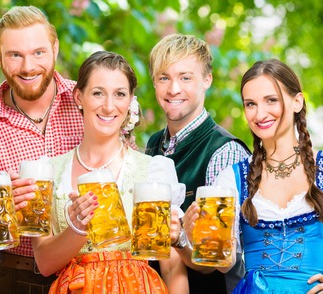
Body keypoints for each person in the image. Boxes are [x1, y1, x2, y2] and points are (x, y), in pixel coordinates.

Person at [24, 50, 187, 293]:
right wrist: (77, 227)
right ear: (79, 97)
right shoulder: (47, 171)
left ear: (130, 99)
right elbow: (45, 263)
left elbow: (172, 268)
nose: (109, 106)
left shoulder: (155, 170)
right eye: (98, 93)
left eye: (120, 94)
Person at [0, 5, 84, 293]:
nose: (28, 66)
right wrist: (7, 211)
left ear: (55, 48)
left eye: (38, 52)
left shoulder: (87, 101)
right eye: (15, 55)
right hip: (14, 274)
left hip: (86, 271)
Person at [190, 59, 323, 293]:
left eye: (271, 100)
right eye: (250, 104)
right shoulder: (231, 179)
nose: (260, 114)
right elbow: (224, 265)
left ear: (297, 102)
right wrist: (195, 239)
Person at [145, 33, 251, 293]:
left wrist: (180, 234)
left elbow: (223, 259)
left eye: (185, 77)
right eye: (164, 78)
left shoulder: (224, 152)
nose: (173, 89)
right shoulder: (152, 144)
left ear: (207, 80)